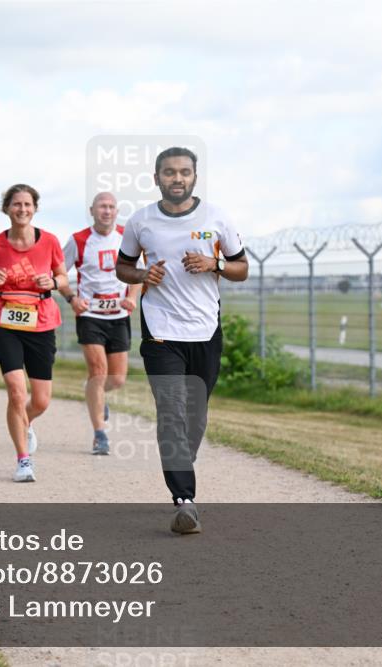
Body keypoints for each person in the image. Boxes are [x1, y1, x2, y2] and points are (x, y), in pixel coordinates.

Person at [115, 147, 249, 534]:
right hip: (160, 332)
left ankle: (180, 459)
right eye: (169, 172)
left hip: (205, 331)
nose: (177, 178)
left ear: (194, 176)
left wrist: (215, 264)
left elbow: (242, 268)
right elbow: (123, 267)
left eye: (185, 172)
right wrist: (142, 276)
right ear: (156, 178)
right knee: (171, 412)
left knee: (196, 415)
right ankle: (184, 500)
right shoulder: (141, 221)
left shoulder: (218, 217)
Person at [0, 184, 68, 483]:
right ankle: (23, 460)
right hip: (6, 324)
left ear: (35, 208)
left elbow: (63, 277)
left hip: (41, 323)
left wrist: (51, 283)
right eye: (16, 204)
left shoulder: (50, 241)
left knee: (40, 400)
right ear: (7, 209)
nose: (22, 209)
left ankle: (24, 423)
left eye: (28, 204)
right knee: (17, 392)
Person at [58, 192, 140, 455]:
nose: (107, 211)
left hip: (118, 316)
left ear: (117, 211)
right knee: (98, 371)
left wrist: (132, 296)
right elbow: (58, 274)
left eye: (112, 207)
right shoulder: (79, 240)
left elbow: (138, 272)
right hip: (90, 314)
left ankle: (96, 394)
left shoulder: (127, 237)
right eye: (102, 207)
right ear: (92, 211)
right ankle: (100, 434)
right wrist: (72, 298)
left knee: (116, 379)